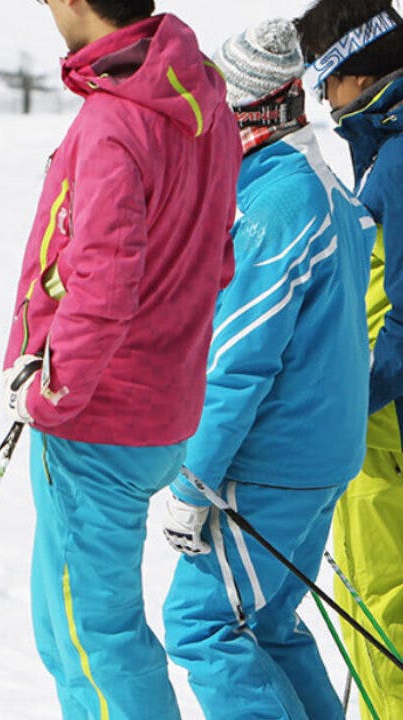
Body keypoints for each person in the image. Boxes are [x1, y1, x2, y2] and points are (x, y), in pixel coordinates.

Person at [0, 1, 240, 717]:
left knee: (96, 642)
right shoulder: (201, 103)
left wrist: (51, 388)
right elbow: (215, 258)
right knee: (65, 630)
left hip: (98, 418)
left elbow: (103, 277)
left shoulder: (116, 120)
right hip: (158, 407)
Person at [157, 19, 375, 720]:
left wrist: (194, 477)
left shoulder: (275, 205)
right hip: (322, 452)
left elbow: (240, 360)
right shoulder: (314, 185)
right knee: (269, 628)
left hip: (273, 463)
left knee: (204, 625)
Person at [296, 1, 403, 715]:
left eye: (322, 83)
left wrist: (342, 399)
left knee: (378, 599)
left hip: (383, 427)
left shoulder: (395, 161)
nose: (322, 103)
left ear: (354, 72)